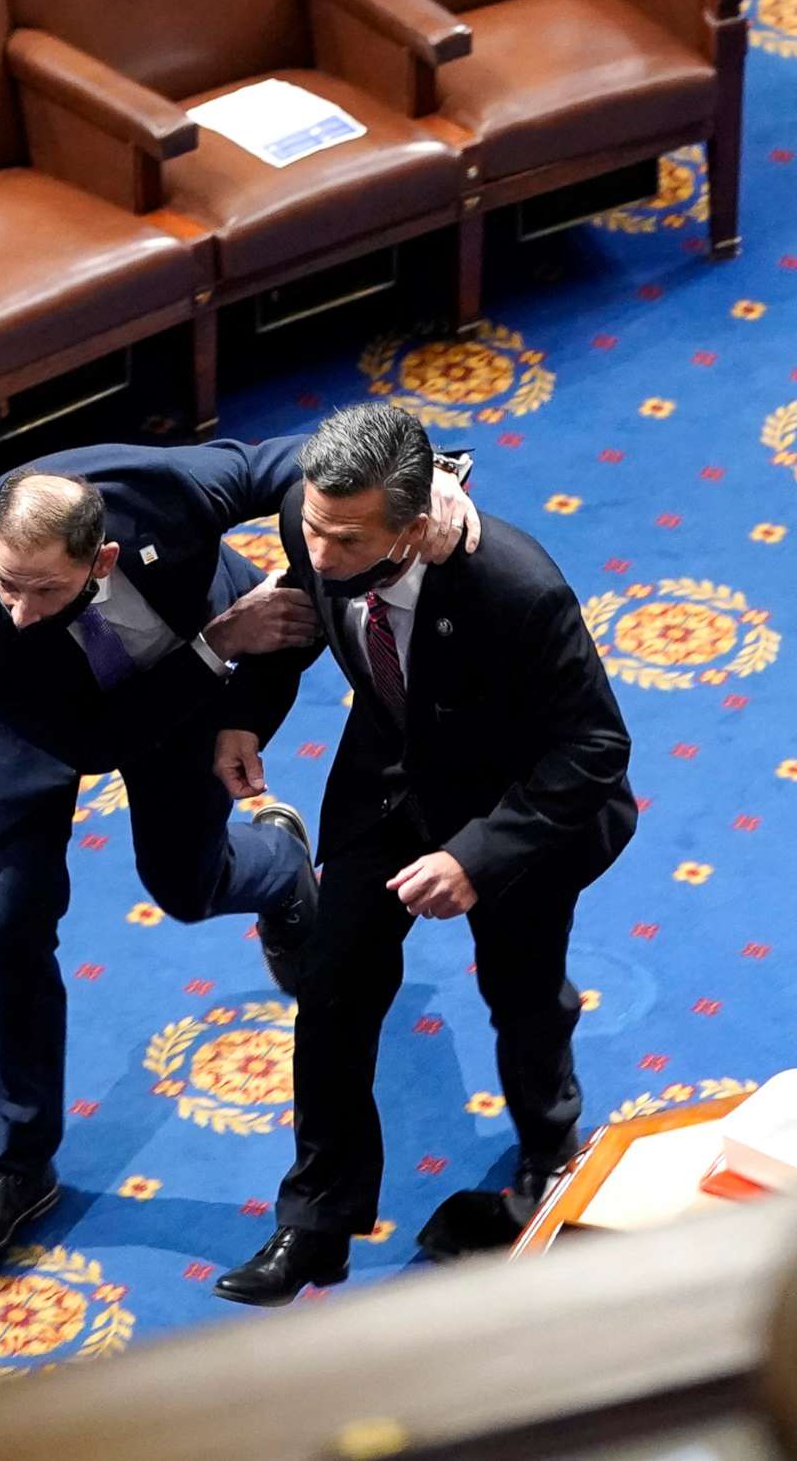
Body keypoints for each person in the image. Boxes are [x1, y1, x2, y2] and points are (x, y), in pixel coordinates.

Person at [0, 439, 480, 1265]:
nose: (21, 606)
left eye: (43, 587)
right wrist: (218, 645)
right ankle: (19, 1162)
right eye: (10, 582)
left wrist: (415, 484)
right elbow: (96, 740)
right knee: (14, 915)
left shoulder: (155, 494)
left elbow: (284, 463)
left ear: (103, 554)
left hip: (178, 662)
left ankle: (281, 868)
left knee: (184, 882)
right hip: (30, 715)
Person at [213, 402, 635, 1307]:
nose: (320, 550)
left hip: (514, 808)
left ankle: (551, 1158)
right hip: (391, 779)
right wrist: (247, 709)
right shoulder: (318, 518)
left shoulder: (517, 586)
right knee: (331, 985)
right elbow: (300, 609)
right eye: (314, 527)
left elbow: (594, 748)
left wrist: (476, 856)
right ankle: (317, 1221)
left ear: (413, 526)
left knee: (522, 995)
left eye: (347, 537)